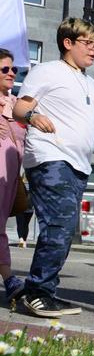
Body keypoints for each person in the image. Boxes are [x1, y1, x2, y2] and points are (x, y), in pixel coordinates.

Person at [13, 18, 94, 317]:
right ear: (68, 43)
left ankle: (42, 291)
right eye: (88, 43)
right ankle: (37, 292)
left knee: (60, 228)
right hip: (50, 156)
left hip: (78, 164)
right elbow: (19, 108)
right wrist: (34, 115)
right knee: (59, 225)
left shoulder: (90, 82)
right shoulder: (47, 71)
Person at [0, 48, 27, 303]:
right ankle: (9, 279)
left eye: (14, 69)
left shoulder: (14, 102)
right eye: (4, 69)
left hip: (11, 177)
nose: (11, 73)